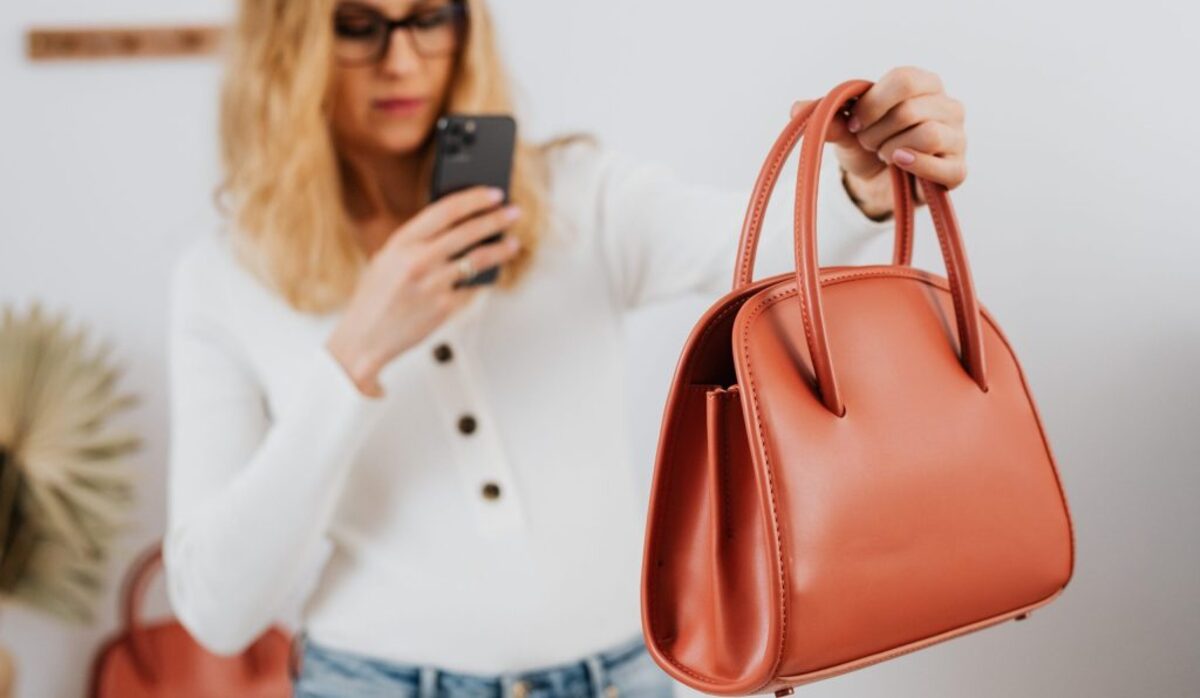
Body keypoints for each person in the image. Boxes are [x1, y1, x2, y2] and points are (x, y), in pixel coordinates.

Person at [161, 0, 969, 696]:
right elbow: (217, 609)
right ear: (289, 43)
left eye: (429, 17)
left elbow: (752, 251)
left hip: (624, 674)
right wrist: (353, 358)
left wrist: (863, 185)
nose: (401, 58)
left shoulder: (576, 196)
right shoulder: (226, 277)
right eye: (358, 24)